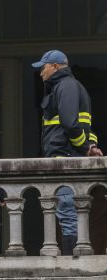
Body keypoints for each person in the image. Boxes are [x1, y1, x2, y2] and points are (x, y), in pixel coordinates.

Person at [32, 50, 103, 255]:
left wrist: (85, 148)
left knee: (68, 216)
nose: (40, 72)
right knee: (69, 215)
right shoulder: (68, 87)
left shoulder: (66, 86)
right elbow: (85, 127)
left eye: (43, 67)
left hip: (66, 158)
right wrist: (89, 146)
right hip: (67, 156)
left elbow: (71, 125)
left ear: (55, 67)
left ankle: (72, 265)